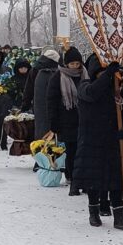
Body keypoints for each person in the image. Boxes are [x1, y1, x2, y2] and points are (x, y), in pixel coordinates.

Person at [74, 57, 123, 231]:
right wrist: (108, 74)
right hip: (91, 140)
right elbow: (93, 92)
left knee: (115, 179)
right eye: (101, 73)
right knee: (94, 180)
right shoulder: (85, 87)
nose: (105, 77)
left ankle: (119, 216)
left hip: (112, 140)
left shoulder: (116, 92)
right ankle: (94, 212)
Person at [48, 46, 88, 192]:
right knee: (71, 151)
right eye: (72, 64)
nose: (75, 67)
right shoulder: (58, 77)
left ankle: (82, 177)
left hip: (84, 119)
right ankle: (71, 177)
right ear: (66, 64)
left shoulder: (85, 74)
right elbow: (51, 101)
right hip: (67, 119)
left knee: (83, 150)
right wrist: (54, 122)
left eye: (77, 64)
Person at [28, 48, 61, 139]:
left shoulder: (36, 69)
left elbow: (29, 88)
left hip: (39, 107)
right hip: (48, 108)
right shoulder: (49, 73)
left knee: (42, 133)